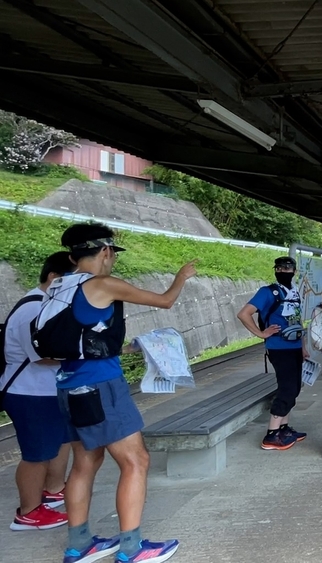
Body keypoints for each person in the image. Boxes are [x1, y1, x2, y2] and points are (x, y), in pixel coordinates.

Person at [51, 223, 195, 563]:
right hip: (101, 386)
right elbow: (165, 301)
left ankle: (79, 545)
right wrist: (182, 276)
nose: (112, 259)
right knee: (136, 460)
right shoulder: (102, 284)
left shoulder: (59, 287)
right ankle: (132, 549)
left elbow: (80, 337)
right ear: (104, 251)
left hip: (68, 384)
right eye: (112, 253)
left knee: (85, 462)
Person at [2, 251, 74, 532]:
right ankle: (28, 512)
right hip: (28, 393)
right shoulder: (33, 308)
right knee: (37, 454)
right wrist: (86, 355)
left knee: (59, 442)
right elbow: (41, 356)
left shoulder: (49, 305)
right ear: (54, 278)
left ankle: (54, 490)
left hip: (46, 390)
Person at [237, 256, 308, 451]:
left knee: (294, 388)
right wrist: (262, 334)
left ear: (294, 271)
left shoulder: (293, 292)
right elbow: (244, 313)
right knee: (286, 388)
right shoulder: (268, 292)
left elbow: (297, 321)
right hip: (278, 348)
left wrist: (302, 347)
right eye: (280, 268)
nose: (285, 271)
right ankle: (272, 434)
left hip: (294, 347)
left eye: (288, 268)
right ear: (275, 270)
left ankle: (283, 429)